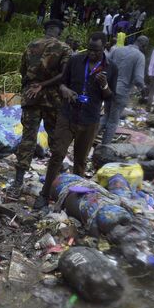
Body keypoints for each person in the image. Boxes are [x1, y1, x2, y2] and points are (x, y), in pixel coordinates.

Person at [34, 32, 118, 210]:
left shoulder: (111, 68)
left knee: (80, 162)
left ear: (105, 47)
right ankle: (44, 194)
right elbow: (62, 82)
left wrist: (104, 86)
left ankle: (73, 201)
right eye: (90, 49)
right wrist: (65, 90)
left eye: (96, 50)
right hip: (68, 115)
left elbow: (111, 97)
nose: (92, 53)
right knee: (57, 154)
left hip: (90, 119)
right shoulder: (76, 60)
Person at [7, 19, 72, 198]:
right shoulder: (65, 48)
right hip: (53, 100)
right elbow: (65, 75)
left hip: (31, 97)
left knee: (28, 137)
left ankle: (18, 180)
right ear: (59, 32)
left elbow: (23, 70)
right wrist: (45, 85)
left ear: (46, 30)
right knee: (55, 138)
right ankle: (54, 179)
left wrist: (33, 86)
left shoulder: (31, 45)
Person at [100, 36, 149, 144]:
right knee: (113, 121)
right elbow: (138, 78)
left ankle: (87, 141)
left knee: (106, 116)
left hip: (107, 88)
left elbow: (105, 65)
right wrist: (143, 88)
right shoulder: (140, 56)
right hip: (121, 92)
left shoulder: (117, 50)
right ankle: (104, 147)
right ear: (143, 45)